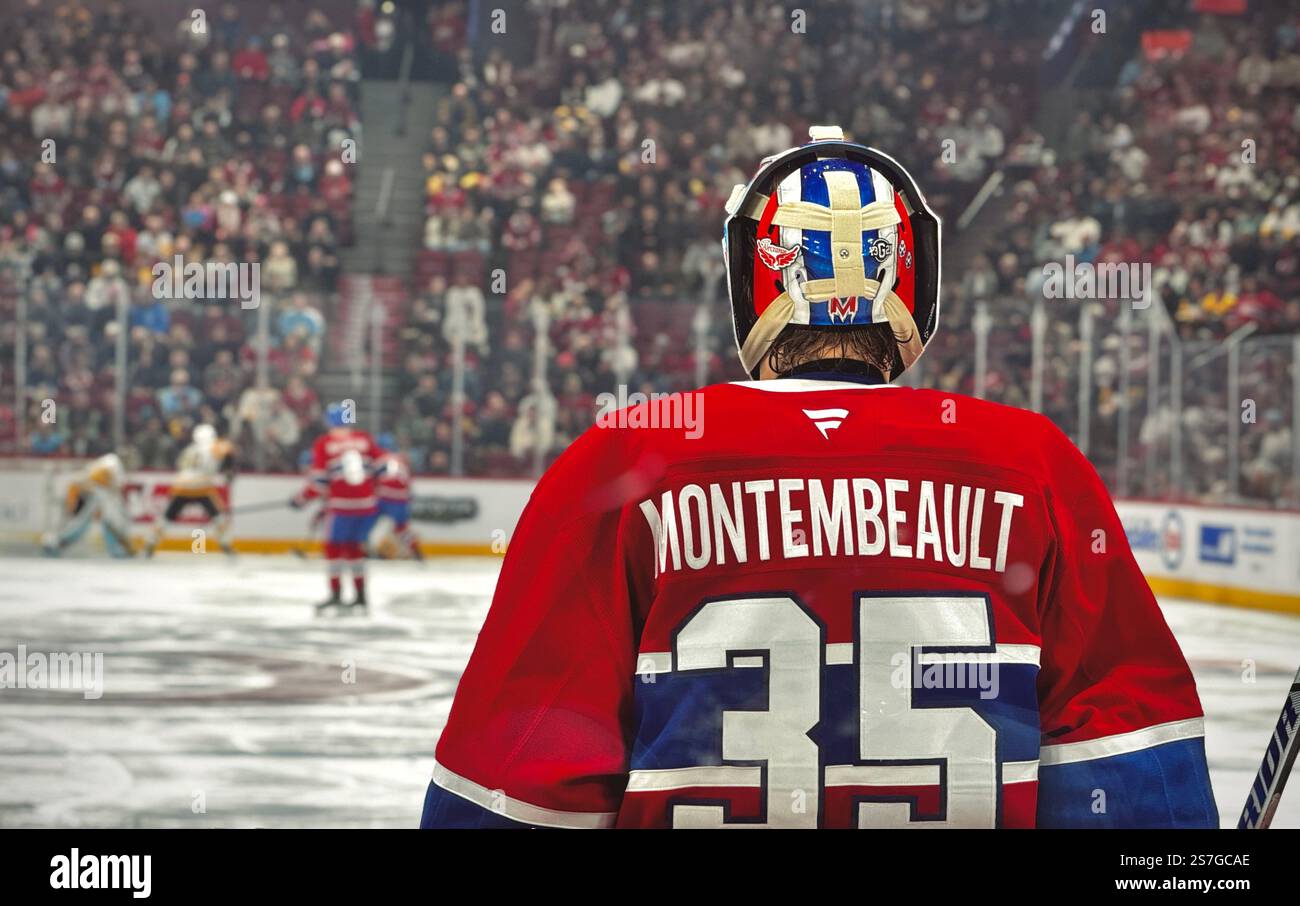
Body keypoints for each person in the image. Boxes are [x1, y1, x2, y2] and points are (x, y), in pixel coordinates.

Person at [420, 127, 1217, 829]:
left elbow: (518, 781)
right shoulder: (1034, 463)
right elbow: (1132, 768)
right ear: (914, 282)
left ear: (751, 283)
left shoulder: (628, 456)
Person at [291, 402, 381, 615]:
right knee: (354, 549)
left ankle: (336, 594)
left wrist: (300, 500)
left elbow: (320, 482)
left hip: (342, 507)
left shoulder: (324, 443)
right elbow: (380, 467)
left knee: (333, 550)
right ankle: (361, 596)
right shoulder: (364, 439)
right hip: (367, 506)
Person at [142, 424, 236, 556]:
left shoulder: (190, 449)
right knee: (218, 516)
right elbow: (228, 451)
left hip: (181, 484)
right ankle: (226, 544)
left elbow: (180, 465)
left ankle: (150, 543)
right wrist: (229, 471)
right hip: (201, 485)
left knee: (166, 517)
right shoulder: (214, 445)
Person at [42, 453, 134, 558]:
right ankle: (56, 542)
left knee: (98, 521)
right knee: (84, 523)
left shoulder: (110, 459)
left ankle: (56, 542)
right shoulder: (116, 465)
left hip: (84, 489)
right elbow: (115, 488)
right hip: (91, 491)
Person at [371, 433, 422, 562]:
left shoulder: (379, 458)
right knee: (401, 527)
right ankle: (416, 551)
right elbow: (407, 483)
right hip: (401, 499)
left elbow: (372, 480)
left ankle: (368, 549)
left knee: (366, 522)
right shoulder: (401, 460)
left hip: (383, 496)